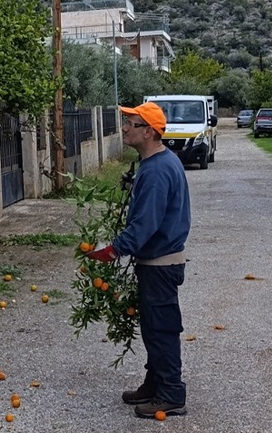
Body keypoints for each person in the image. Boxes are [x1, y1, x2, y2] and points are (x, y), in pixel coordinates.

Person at [82, 101, 191, 419]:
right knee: (153, 328)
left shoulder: (158, 171)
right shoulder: (158, 163)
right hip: (159, 263)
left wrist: (114, 249)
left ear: (149, 131)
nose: (125, 128)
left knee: (161, 329)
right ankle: (156, 383)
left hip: (161, 265)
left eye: (131, 122)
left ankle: (171, 394)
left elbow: (146, 224)